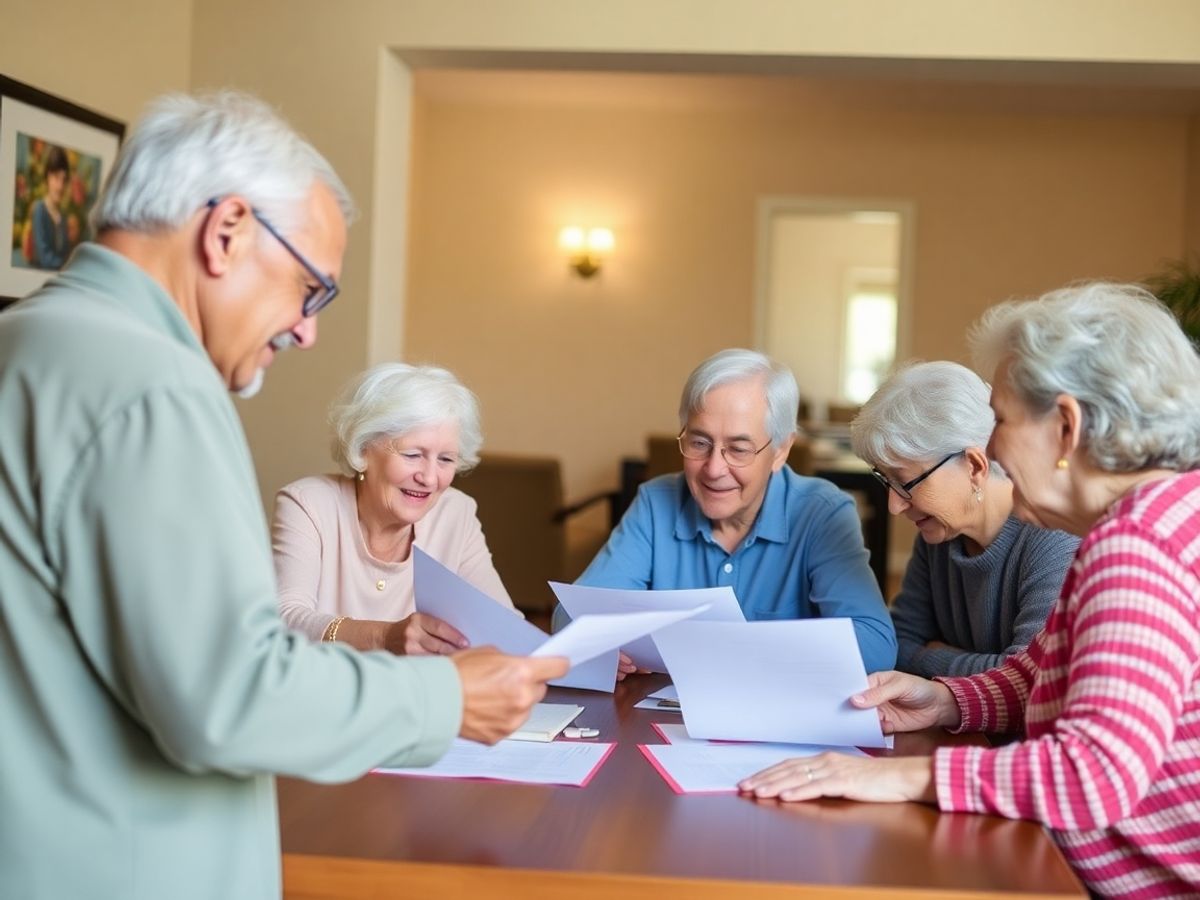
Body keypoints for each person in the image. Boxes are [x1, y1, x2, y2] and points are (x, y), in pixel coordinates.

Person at [0, 90, 567, 900]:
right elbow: (227, 696)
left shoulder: (26, 339)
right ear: (226, 231)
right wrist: (444, 700)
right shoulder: (155, 385)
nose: (307, 330)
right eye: (312, 289)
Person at [740, 282, 1200, 898]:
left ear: (1067, 426)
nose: (993, 445)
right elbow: (1037, 674)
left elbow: (1091, 776)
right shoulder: (1154, 521)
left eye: (1002, 418)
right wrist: (945, 701)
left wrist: (908, 776)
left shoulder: (1135, 549)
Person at [556, 348, 897, 674]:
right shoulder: (656, 502)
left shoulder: (822, 513)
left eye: (738, 449)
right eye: (699, 443)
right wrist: (604, 647)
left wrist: (733, 646)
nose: (714, 469)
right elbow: (568, 618)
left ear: (781, 450)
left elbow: (876, 646)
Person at [850, 361, 1078, 677]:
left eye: (904, 482)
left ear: (974, 466)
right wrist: (985, 663)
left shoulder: (1054, 539)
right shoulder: (938, 534)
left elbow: (1031, 679)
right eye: (885, 481)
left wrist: (935, 655)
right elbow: (897, 646)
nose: (894, 505)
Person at [274, 362, 518, 655]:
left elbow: (506, 627)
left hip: (419, 697)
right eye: (413, 454)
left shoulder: (456, 513)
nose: (429, 478)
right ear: (363, 449)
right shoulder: (308, 504)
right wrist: (385, 637)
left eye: (445, 460)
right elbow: (283, 620)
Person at [30, 143, 71, 269]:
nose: (60, 186)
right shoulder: (39, 210)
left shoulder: (62, 216)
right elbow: (44, 258)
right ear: (47, 177)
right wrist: (68, 266)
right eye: (56, 178)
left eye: (64, 179)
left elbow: (65, 253)